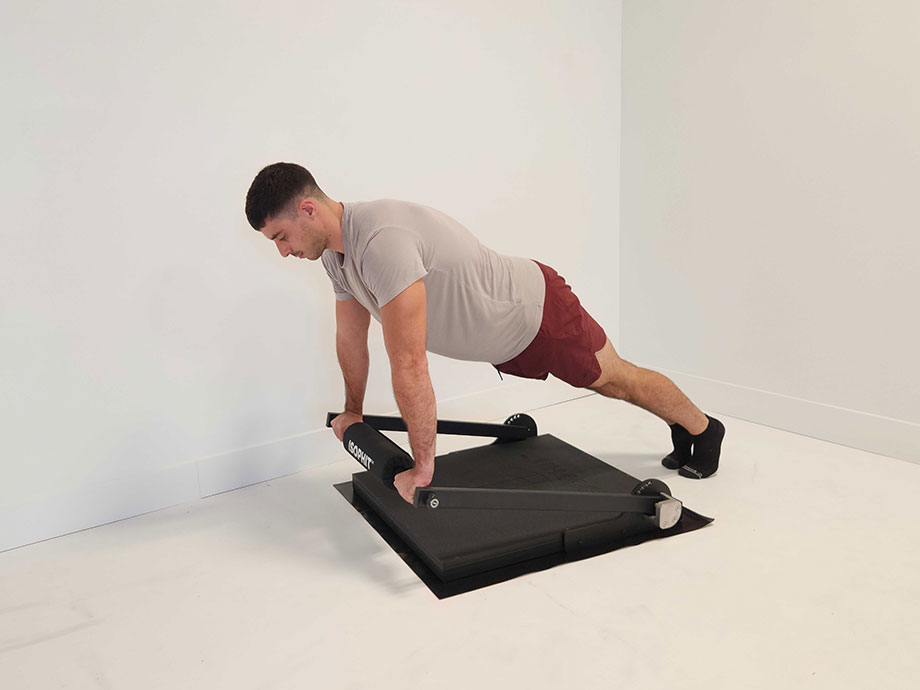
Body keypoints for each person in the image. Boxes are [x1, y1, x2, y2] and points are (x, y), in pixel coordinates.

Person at [244, 162, 725, 503]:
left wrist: (424, 465)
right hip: (504, 339)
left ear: (308, 210)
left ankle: (703, 429)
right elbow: (351, 338)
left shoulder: (382, 241)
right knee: (613, 380)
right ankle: (685, 427)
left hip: (536, 313)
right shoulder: (335, 257)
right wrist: (353, 412)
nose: (283, 252)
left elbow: (409, 361)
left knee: (614, 379)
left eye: (281, 237)